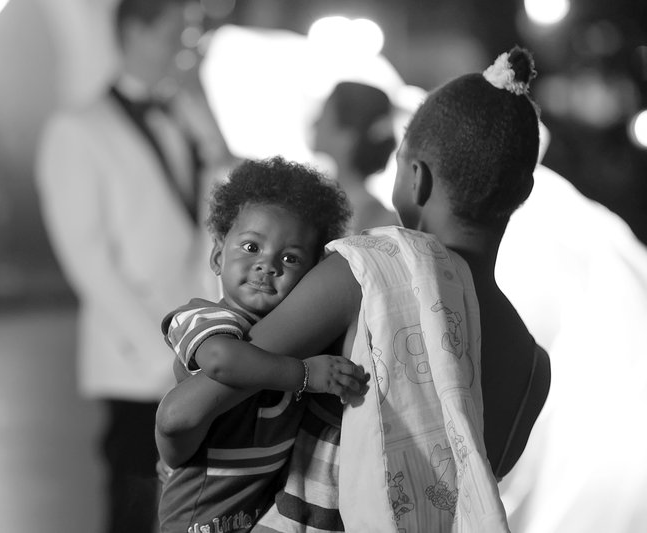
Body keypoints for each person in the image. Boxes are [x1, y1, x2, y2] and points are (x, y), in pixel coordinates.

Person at [156, 46, 551, 531]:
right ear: (523, 193)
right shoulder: (534, 367)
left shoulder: (364, 273)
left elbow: (181, 413)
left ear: (416, 178)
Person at [35, 0, 228, 530]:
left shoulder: (187, 113)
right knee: (138, 503)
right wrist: (157, 352)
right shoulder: (76, 129)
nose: (187, 49)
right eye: (175, 35)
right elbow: (87, 259)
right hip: (137, 359)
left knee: (197, 506)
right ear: (137, 33)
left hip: (199, 342)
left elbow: (216, 207)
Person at [156, 156, 368, 532]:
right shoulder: (203, 317)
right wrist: (305, 375)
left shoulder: (301, 336)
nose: (267, 265)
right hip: (199, 514)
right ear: (218, 256)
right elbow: (221, 359)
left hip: (255, 511)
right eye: (252, 247)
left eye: (290, 258)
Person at [311, 81, 399, 233]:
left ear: (348, 136)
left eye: (324, 116)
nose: (315, 123)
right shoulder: (323, 197)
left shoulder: (366, 217)